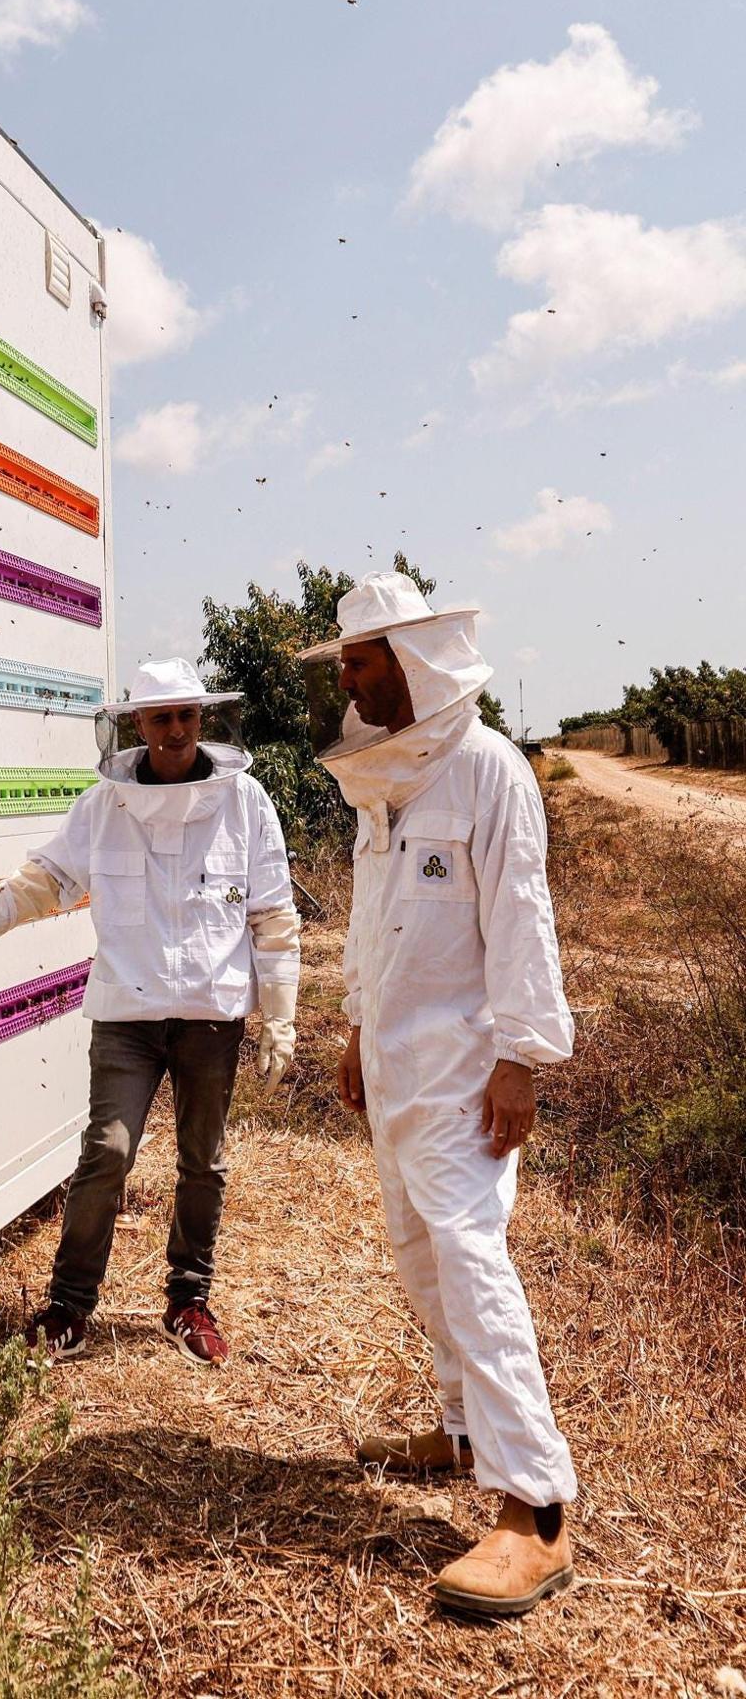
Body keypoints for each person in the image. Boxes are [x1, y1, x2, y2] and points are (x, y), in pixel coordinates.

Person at [0, 659, 300, 1366]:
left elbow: (272, 918)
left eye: (186, 716)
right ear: (135, 724)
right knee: (106, 1152)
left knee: (204, 1162)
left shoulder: (247, 801)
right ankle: (69, 1309)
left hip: (211, 1016)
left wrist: (281, 1018)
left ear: (203, 719)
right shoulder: (102, 806)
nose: (175, 731)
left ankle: (189, 1299)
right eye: (160, 717)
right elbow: (38, 885)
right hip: (126, 1015)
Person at [299, 572, 576, 1617]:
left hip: (467, 1070)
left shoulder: (486, 770)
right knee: (419, 1251)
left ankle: (535, 1509)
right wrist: (359, 1028)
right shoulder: (390, 778)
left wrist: (522, 1058)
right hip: (400, 1068)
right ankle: (463, 1431)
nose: (351, 679)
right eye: (349, 662)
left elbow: (521, 919)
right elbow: (377, 926)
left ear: (412, 660)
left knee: (468, 1259)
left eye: (362, 661)